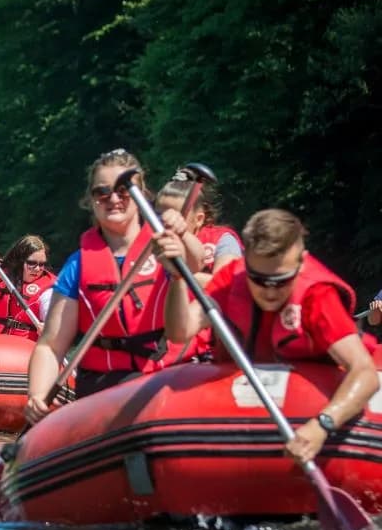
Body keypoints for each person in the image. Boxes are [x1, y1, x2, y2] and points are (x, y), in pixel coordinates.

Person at [162, 208, 379, 463]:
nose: (270, 291)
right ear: (248, 265)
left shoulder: (317, 296)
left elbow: (364, 373)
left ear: (301, 261)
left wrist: (322, 425)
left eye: (281, 280)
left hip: (329, 410)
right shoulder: (233, 278)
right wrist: (177, 277)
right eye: (259, 280)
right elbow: (179, 331)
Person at [25, 149, 205, 425]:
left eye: (123, 190)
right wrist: (38, 394)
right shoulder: (78, 266)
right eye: (102, 192)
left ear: (141, 195)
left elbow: (196, 263)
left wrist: (182, 234)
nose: (114, 199)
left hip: (158, 383)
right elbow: (50, 345)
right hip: (101, 388)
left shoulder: (165, 247)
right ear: (91, 201)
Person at [154, 167, 242, 286]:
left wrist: (180, 274)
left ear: (199, 219)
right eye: (160, 214)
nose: (166, 221)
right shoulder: (154, 241)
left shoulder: (223, 240)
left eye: (177, 215)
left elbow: (226, 284)